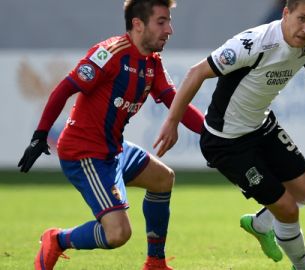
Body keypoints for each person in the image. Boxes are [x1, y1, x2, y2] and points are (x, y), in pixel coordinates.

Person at [155, 0, 305, 269]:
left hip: (262, 127)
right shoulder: (252, 44)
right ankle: (303, 265)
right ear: (286, 13)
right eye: (301, 19)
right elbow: (196, 73)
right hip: (226, 142)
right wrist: (172, 121)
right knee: (287, 208)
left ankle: (259, 224)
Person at [17, 0, 204, 269]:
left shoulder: (152, 62)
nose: (170, 29)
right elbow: (64, 88)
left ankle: (155, 263)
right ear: (138, 24)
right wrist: (40, 135)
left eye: (169, 21)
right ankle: (57, 240)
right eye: (161, 22)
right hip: (85, 154)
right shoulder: (109, 54)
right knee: (118, 234)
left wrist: (212, 135)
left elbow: (176, 104)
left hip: (113, 149)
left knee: (163, 179)